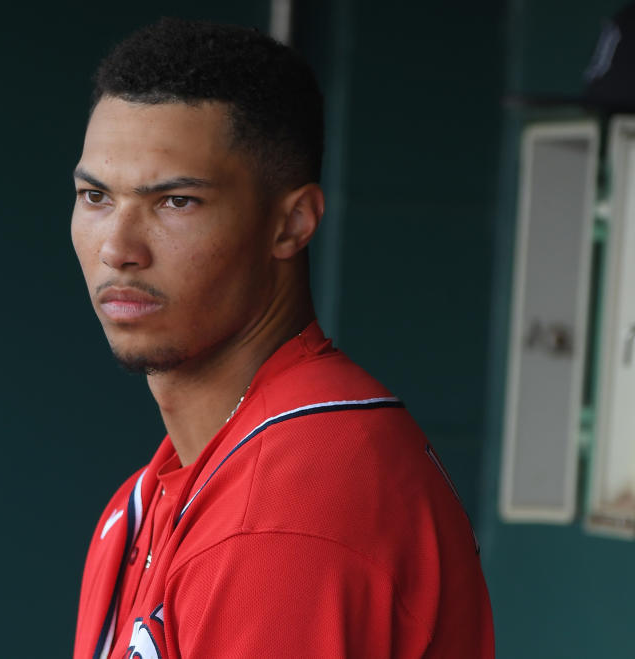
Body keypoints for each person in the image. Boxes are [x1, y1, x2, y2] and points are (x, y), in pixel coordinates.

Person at [70, 17, 493, 659]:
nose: (118, 248)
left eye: (176, 202)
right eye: (96, 196)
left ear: (291, 224)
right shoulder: (166, 489)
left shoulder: (283, 519)